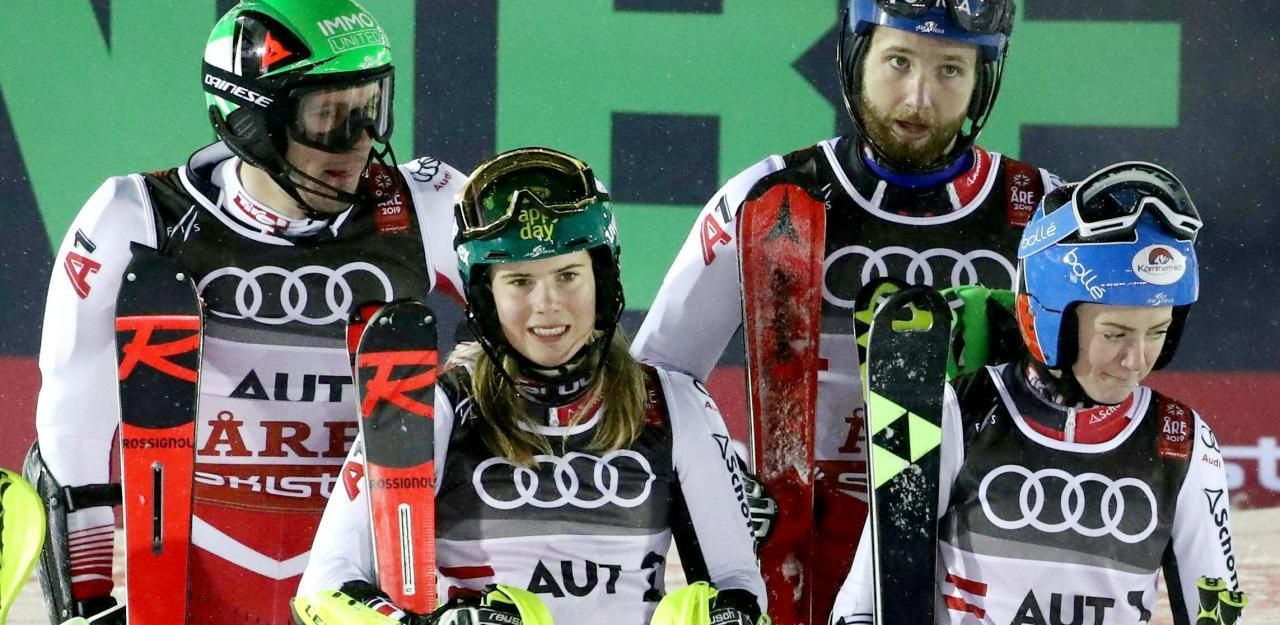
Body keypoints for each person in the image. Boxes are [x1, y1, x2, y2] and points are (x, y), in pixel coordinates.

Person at [23, 1, 466, 622]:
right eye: (327, 115)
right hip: (194, 577)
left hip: (365, 583)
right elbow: (72, 425)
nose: (359, 140)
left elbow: (536, 343)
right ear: (253, 119)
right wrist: (86, 604)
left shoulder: (429, 203)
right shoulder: (134, 217)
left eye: (371, 108)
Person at [632, 0, 1061, 616]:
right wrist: (722, 485)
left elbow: (1108, 388)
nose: (918, 98)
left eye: (950, 70)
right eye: (898, 61)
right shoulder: (767, 196)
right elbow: (655, 385)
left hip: (977, 560)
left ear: (982, 79)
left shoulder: (1047, 216)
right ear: (857, 56)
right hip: (800, 554)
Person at [298, 147, 768, 625]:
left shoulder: (670, 402)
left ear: (603, 281)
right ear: (485, 295)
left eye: (568, 275)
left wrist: (731, 615)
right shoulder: (435, 409)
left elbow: (738, 581)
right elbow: (322, 592)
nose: (547, 303)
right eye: (520, 281)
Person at [830, 162, 1243, 624]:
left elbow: (1217, 610)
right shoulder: (955, 412)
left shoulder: (1180, 440)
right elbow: (863, 602)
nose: (1135, 360)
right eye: (1114, 333)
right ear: (1047, 320)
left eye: (1158, 332)